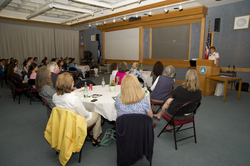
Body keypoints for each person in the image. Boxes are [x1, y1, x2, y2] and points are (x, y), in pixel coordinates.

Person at [53, 72, 102, 146]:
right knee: (97, 114)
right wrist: (91, 113)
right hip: (76, 122)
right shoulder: (74, 98)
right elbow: (84, 114)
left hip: (64, 121)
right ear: (71, 84)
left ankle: (91, 132)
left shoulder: (54, 96)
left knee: (90, 112)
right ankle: (95, 137)